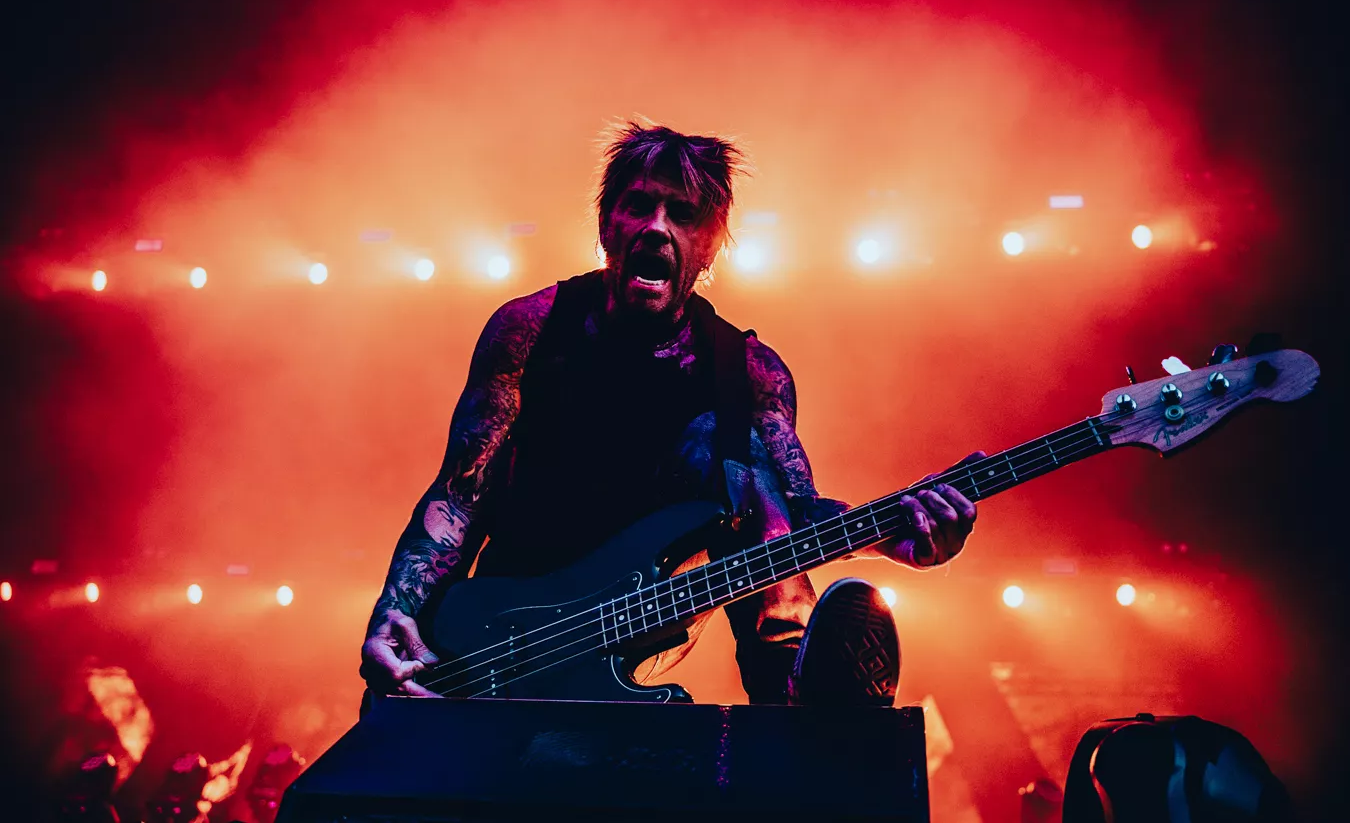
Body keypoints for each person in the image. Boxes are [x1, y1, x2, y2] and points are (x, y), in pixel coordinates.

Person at [360, 122, 980, 705]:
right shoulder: (531, 329)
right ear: (607, 224)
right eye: (639, 205)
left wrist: (891, 535)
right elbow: (460, 493)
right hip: (507, 627)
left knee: (739, 463)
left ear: (708, 246)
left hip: (629, 627)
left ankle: (796, 690)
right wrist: (396, 612)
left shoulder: (750, 374)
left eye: (682, 214)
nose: (657, 227)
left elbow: (789, 519)